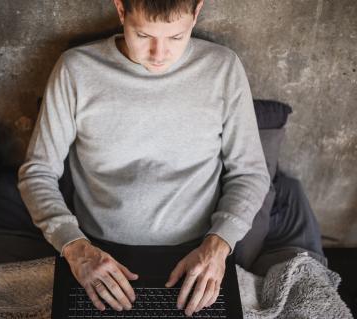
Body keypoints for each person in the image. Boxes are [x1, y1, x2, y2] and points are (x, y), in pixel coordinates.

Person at [18, 0, 271, 316]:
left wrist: (218, 247)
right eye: (144, 36)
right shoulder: (75, 69)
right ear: (121, 11)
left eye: (176, 37)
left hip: (199, 253)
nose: (159, 54)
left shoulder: (223, 68)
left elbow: (249, 173)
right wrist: (76, 250)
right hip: (98, 255)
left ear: (196, 13)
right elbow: (37, 172)